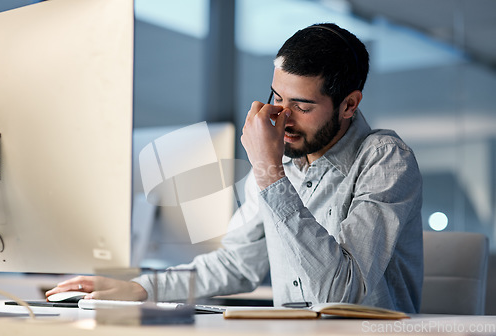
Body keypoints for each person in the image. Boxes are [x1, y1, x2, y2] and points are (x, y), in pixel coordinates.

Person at [46, 23, 423, 313]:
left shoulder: (384, 159)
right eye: (277, 97)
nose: (282, 117)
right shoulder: (282, 163)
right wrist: (140, 289)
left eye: (302, 106)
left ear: (349, 105)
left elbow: (344, 294)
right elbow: (237, 263)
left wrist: (268, 173)